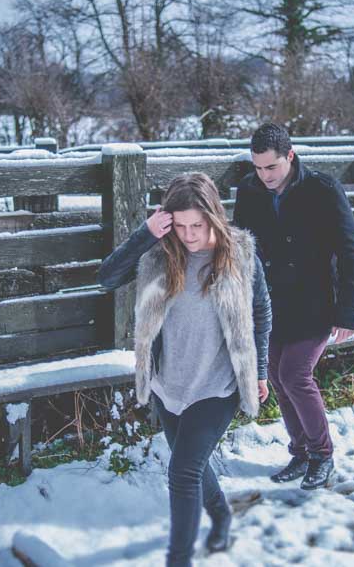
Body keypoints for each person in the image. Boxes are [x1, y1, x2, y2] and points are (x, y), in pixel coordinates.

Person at [98, 172, 272, 567]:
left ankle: (179, 560)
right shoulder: (158, 254)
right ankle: (222, 514)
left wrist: (260, 369)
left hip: (217, 388)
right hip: (168, 386)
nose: (190, 235)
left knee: (182, 473)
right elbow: (106, 278)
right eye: (180, 225)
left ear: (214, 217)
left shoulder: (241, 255)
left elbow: (260, 311)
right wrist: (145, 234)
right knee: (192, 466)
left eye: (198, 225)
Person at [233, 122, 354, 490]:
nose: (264, 175)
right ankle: (301, 451)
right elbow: (242, 249)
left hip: (316, 303)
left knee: (294, 374)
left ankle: (323, 454)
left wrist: (348, 310)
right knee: (275, 375)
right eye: (257, 168)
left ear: (290, 156)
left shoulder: (322, 189)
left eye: (271, 167)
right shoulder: (249, 190)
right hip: (272, 304)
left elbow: (350, 250)